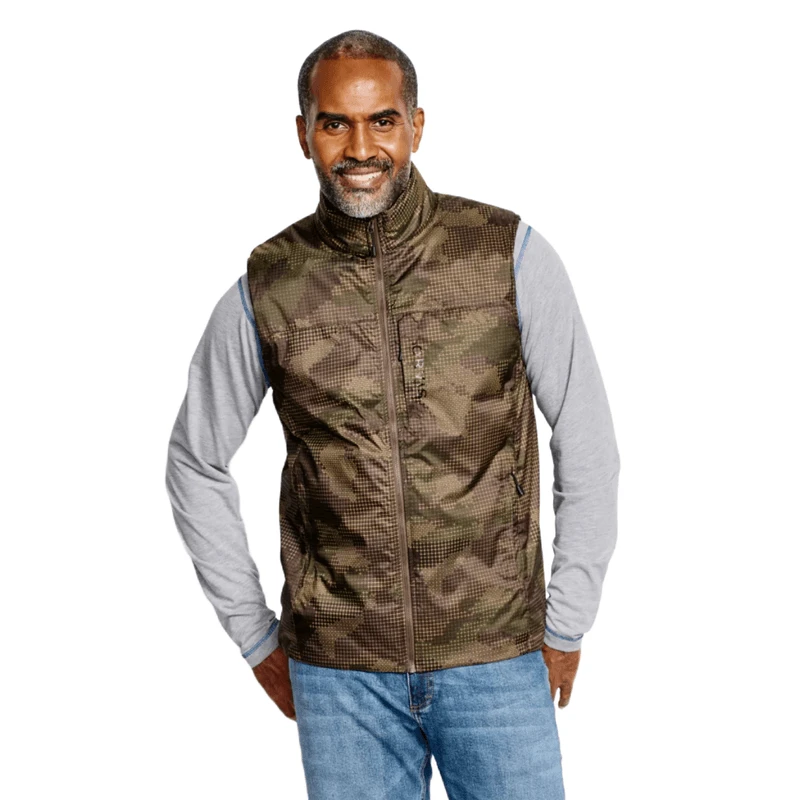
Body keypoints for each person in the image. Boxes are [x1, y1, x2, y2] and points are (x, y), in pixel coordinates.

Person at [165, 29, 620, 800]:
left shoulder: (505, 254)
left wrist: (567, 620)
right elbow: (194, 461)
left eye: (382, 120)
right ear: (303, 133)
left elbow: (585, 436)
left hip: (495, 657)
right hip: (341, 674)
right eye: (334, 123)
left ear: (416, 125)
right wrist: (253, 635)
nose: (359, 147)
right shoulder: (267, 288)